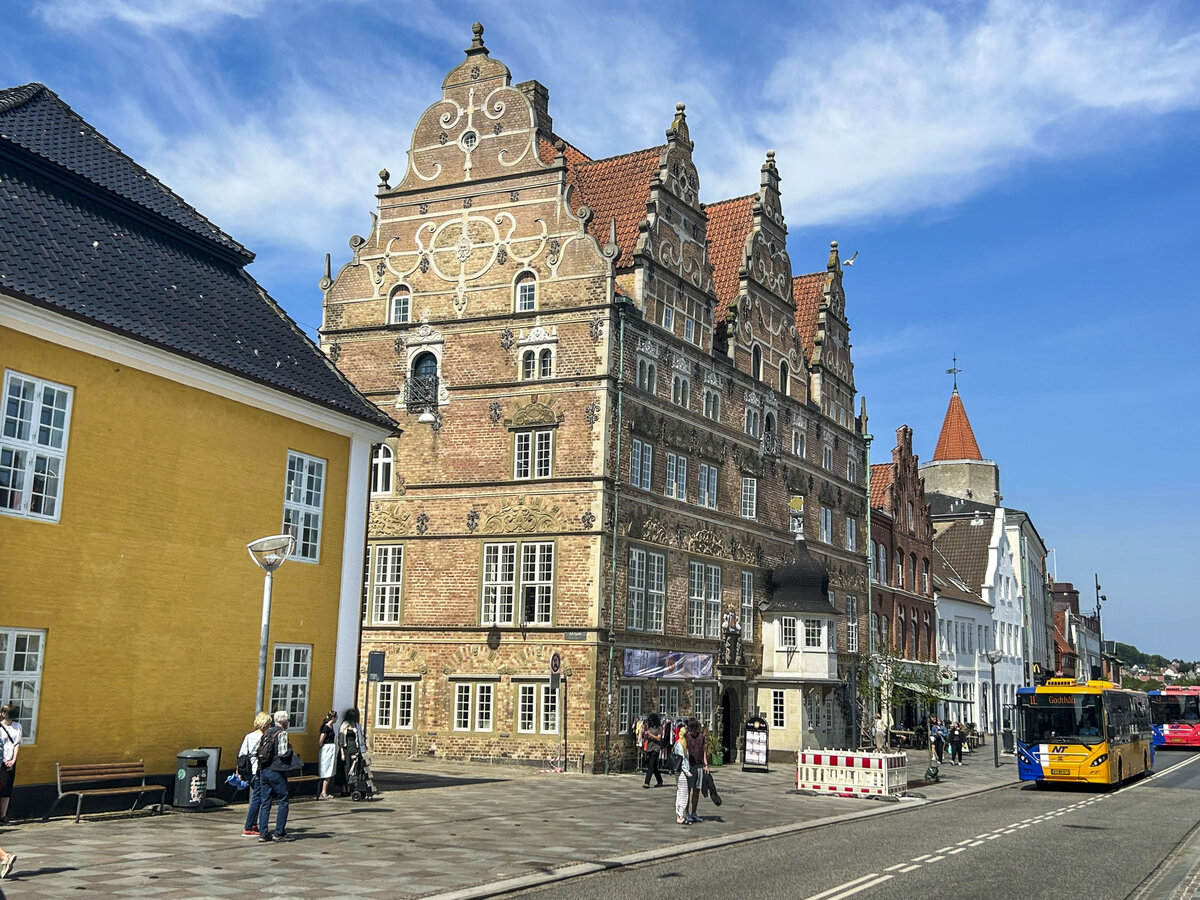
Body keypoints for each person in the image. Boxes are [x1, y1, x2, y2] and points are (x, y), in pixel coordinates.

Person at [257, 710, 298, 842]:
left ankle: (263, 833)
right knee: (283, 799)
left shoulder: (267, 732)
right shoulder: (282, 733)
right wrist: (290, 750)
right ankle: (279, 832)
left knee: (265, 801)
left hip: (264, 770)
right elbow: (282, 752)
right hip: (276, 770)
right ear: (284, 721)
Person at [238, 711, 271, 837]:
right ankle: (248, 826)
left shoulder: (249, 736)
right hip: (259, 769)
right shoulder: (265, 738)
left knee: (256, 797)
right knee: (257, 799)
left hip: (248, 770)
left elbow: (241, 754)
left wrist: (239, 772)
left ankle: (253, 824)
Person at [683, 718, 709, 824]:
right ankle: (687, 813)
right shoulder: (686, 737)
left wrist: (706, 764)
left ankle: (694, 812)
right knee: (687, 790)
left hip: (699, 765)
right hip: (689, 765)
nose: (692, 730)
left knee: (697, 790)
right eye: (690, 727)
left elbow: (704, 751)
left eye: (694, 727)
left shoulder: (701, 737)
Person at [0, 704, 21, 824]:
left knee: (7, 787)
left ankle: (3, 815)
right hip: (1, 760)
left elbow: (17, 744)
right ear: (3, 714)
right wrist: (3, 760)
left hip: (11, 760)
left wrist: (13, 760)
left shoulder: (17, 726)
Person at [337, 708, 364, 796]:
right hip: (346, 749)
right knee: (345, 768)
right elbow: (341, 739)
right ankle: (344, 789)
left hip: (354, 749)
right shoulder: (344, 725)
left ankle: (350, 787)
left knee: (353, 769)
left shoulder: (357, 726)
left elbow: (360, 738)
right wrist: (342, 752)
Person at [671, 728, 692, 826]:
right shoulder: (680, 745)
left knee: (680, 793)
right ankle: (680, 815)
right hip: (681, 772)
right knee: (683, 794)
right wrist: (687, 772)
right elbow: (682, 761)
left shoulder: (680, 744)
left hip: (679, 772)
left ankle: (679, 815)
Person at [317, 710, 338, 799]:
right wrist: (322, 748)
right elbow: (321, 741)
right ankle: (323, 792)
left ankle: (324, 791)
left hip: (331, 748)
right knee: (326, 769)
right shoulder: (326, 727)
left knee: (330, 769)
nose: (337, 719)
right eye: (336, 717)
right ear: (333, 718)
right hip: (327, 749)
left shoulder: (331, 726)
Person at [642, 713, 665, 788]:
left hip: (656, 747)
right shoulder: (649, 726)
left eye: (651, 720)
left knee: (651, 765)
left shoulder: (659, 727)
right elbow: (646, 737)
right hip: (649, 747)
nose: (650, 722)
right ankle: (660, 781)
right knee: (654, 766)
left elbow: (658, 738)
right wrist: (645, 734)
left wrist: (650, 735)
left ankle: (647, 782)